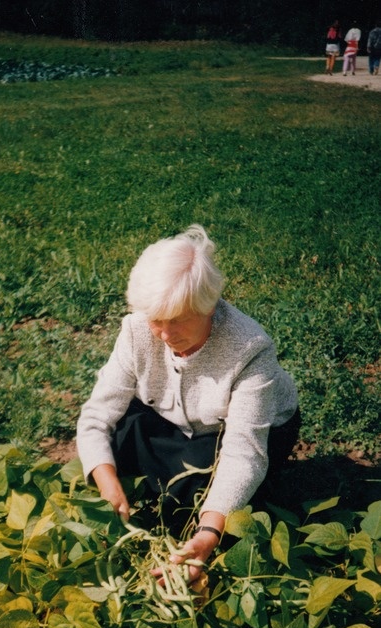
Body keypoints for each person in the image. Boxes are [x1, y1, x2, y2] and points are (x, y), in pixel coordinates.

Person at [76, 225, 300, 579]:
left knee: (206, 489)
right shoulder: (136, 329)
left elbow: (243, 453)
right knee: (112, 447)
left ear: (208, 307)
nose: (165, 334)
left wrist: (208, 533)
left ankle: (205, 514)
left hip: (238, 431)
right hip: (171, 416)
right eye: (156, 321)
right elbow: (97, 415)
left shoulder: (250, 349)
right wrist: (107, 482)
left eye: (178, 320)